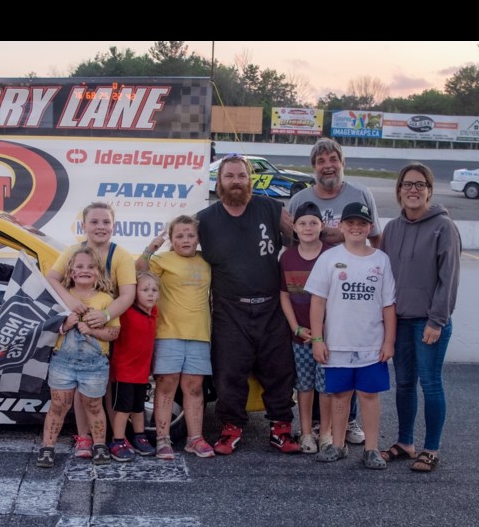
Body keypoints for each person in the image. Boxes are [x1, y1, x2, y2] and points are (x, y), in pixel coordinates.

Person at [195, 154, 301, 455]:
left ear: (250, 180)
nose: (236, 181)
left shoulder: (271, 208)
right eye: (230, 176)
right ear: (219, 182)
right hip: (230, 307)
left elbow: (300, 242)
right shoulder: (204, 219)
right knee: (230, 371)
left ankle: (281, 428)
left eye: (241, 176)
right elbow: (181, 249)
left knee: (279, 370)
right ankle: (231, 427)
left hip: (271, 306)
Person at [287, 138, 380, 446]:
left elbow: (375, 240)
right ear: (313, 167)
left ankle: (349, 421)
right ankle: (313, 427)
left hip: (350, 296)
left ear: (342, 162)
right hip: (310, 298)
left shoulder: (360, 194)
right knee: (314, 371)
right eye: (321, 160)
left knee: (346, 359)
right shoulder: (300, 198)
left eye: (333, 159)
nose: (327, 165)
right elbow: (290, 243)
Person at [379, 163, 461, 472]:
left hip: (429, 323)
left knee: (430, 383)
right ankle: (405, 442)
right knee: (404, 384)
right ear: (399, 191)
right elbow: (384, 276)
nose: (413, 189)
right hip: (399, 322)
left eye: (420, 184)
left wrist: (437, 320)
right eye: (407, 184)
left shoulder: (443, 227)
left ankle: (431, 449)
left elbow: (448, 279)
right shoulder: (392, 229)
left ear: (429, 190)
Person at [305, 202, 396, 469]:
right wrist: (318, 339)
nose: (356, 228)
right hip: (337, 343)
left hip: (371, 344)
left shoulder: (381, 260)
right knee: (340, 395)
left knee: (369, 395)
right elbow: (317, 302)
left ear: (370, 227)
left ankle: (371, 448)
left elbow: (388, 305)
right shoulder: (329, 258)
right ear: (341, 226)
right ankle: (338, 444)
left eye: (362, 223)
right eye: (351, 223)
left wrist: (389, 340)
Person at [47, 202, 137, 459]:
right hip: (76, 332)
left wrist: (106, 315)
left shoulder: (120, 255)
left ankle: (112, 437)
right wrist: (71, 302)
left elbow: (128, 294)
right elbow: (52, 278)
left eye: (106, 222)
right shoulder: (74, 251)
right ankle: (83, 437)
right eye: (95, 222)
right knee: (80, 382)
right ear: (83, 226)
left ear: (113, 225)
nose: (100, 227)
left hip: (109, 324)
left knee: (103, 383)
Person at [137, 215, 214, 459]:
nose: (186, 240)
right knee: (166, 384)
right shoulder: (162, 260)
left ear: (198, 238)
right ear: (171, 239)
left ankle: (195, 439)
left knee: (194, 388)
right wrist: (151, 248)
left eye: (191, 235)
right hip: (168, 334)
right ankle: (162, 439)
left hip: (200, 335)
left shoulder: (206, 261)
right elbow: (137, 272)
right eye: (179, 236)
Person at [37, 247, 121, 468]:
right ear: (71, 272)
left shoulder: (105, 299)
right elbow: (46, 328)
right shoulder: (61, 298)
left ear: (99, 272)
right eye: (80, 266)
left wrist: (93, 330)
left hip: (94, 365)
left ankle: (99, 445)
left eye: (91, 267)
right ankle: (47, 448)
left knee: (94, 405)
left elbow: (114, 333)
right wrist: (65, 324)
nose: (85, 270)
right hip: (62, 363)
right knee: (58, 405)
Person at [279, 201, 333, 454]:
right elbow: (284, 295)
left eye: (313, 222)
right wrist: (296, 328)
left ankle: (326, 432)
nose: (308, 227)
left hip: (328, 336)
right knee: (304, 385)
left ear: (322, 226)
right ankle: (306, 432)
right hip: (300, 335)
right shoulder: (287, 257)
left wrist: (322, 331)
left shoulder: (333, 255)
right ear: (294, 227)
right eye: (302, 223)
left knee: (326, 386)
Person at [107, 271, 159, 462]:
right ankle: (118, 440)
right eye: (145, 289)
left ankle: (139, 437)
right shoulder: (126, 312)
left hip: (142, 372)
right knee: (123, 408)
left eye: (154, 290)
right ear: (133, 293)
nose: (150, 293)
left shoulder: (153, 313)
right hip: (124, 372)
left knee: (138, 408)